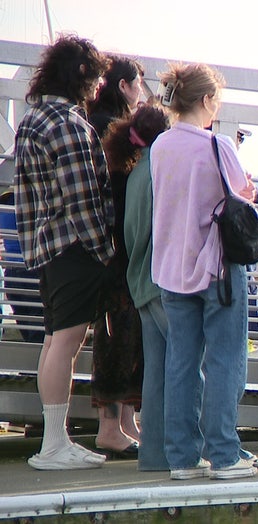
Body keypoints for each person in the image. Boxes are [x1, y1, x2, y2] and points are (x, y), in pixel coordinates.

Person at [150, 62, 258, 480]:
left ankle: (182, 457)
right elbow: (238, 203)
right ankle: (225, 455)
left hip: (171, 268)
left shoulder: (160, 146)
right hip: (216, 268)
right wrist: (246, 191)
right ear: (207, 100)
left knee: (181, 362)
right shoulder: (219, 146)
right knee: (225, 359)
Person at [14, 34, 112, 470]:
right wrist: (104, 251)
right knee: (66, 344)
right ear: (81, 73)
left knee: (55, 340)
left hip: (45, 248)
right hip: (74, 248)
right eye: (96, 78)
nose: (98, 88)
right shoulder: (69, 125)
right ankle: (54, 445)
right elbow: (83, 199)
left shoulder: (33, 120)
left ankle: (54, 439)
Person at [88, 54, 147, 459]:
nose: (142, 90)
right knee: (117, 334)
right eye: (138, 83)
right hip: (117, 249)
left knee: (122, 333)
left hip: (108, 248)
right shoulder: (109, 127)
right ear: (124, 85)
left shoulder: (96, 119)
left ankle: (124, 421)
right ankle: (112, 425)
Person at [110, 103, 171, 470]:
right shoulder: (160, 173)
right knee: (183, 365)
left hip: (139, 280)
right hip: (162, 280)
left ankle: (152, 452)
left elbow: (131, 235)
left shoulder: (135, 174)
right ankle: (181, 447)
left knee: (156, 370)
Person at [0, 190, 44, 343]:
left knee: (32, 334)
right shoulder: (30, 200)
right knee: (41, 335)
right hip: (31, 272)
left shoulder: (5, 203)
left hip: (11, 275)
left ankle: (33, 365)